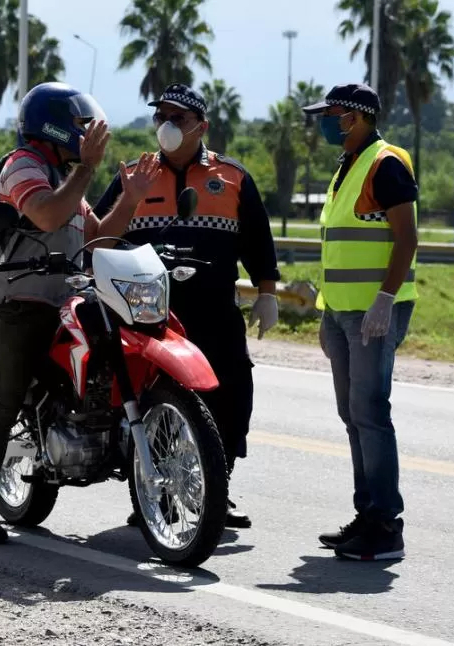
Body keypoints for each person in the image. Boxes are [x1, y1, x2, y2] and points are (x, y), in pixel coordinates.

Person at [0, 82, 160, 544]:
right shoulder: (23, 167)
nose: (85, 134)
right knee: (7, 396)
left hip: (67, 301)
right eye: (78, 126)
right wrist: (89, 169)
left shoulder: (66, 177)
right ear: (51, 124)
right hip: (18, 303)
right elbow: (47, 216)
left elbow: (98, 240)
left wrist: (131, 198)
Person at [92, 83, 280, 530]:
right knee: (147, 401)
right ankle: (149, 493)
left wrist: (268, 291)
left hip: (214, 309)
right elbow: (99, 233)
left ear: (202, 126)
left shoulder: (232, 176)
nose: (167, 126)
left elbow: (257, 238)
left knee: (232, 393)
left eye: (177, 118)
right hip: (148, 313)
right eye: (161, 117)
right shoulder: (134, 175)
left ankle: (217, 488)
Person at [300, 83, 419, 561]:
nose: (324, 122)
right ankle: (366, 512)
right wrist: (328, 314)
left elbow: (407, 238)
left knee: (370, 413)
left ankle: (386, 526)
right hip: (343, 311)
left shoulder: (386, 162)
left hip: (374, 312)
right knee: (354, 416)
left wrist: (385, 299)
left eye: (330, 114)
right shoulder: (347, 166)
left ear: (354, 117)